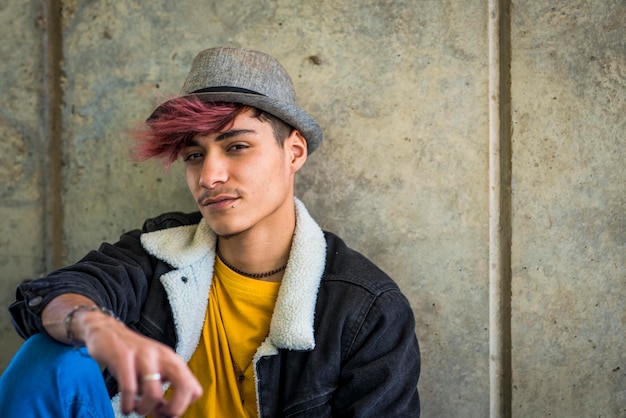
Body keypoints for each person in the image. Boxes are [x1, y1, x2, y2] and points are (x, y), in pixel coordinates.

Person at [0, 46, 420, 417]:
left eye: (237, 146)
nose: (209, 176)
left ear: (293, 152)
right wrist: (96, 327)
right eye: (195, 155)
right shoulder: (157, 252)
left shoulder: (367, 309)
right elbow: (50, 295)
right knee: (51, 357)